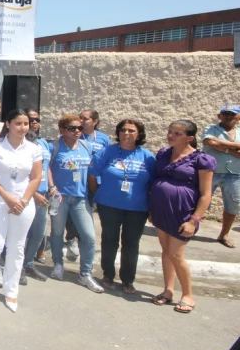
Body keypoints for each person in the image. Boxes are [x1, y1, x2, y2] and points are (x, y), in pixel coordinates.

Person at [0, 109, 42, 312]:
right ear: (8, 124)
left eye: (26, 124)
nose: (23, 128)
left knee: (17, 247)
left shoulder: (33, 149)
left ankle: (10, 291)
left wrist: (22, 201)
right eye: (18, 123)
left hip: (24, 203)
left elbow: (36, 177)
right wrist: (7, 197)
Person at [149, 120, 216, 313]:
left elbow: (206, 194)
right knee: (165, 251)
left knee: (176, 255)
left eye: (177, 134)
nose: (171, 136)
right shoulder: (163, 153)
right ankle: (168, 290)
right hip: (161, 210)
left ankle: (188, 295)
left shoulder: (201, 160)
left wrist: (194, 220)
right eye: (170, 131)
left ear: (190, 138)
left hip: (184, 214)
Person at [88, 119, 156, 294]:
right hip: (109, 205)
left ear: (139, 134)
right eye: (123, 130)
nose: (126, 133)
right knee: (110, 240)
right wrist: (99, 195)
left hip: (138, 208)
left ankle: (128, 280)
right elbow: (92, 176)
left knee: (131, 243)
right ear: (118, 133)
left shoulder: (147, 156)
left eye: (131, 130)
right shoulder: (107, 152)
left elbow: (153, 183)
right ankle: (108, 275)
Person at [48, 115, 104, 293]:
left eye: (80, 127)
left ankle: (85, 274)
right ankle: (58, 263)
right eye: (73, 128)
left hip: (80, 198)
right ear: (62, 130)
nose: (78, 131)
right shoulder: (54, 147)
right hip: (60, 198)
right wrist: (52, 187)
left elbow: (91, 170)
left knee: (89, 236)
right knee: (57, 232)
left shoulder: (86, 146)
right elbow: (46, 167)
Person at [202, 104, 240, 248]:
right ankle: (190, 229)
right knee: (200, 202)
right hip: (210, 172)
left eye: (233, 114)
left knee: (233, 206)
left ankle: (223, 235)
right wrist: (233, 149)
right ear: (220, 116)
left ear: (238, 117)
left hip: (235, 174)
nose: (229, 117)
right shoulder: (211, 129)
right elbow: (210, 142)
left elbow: (216, 144)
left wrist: (221, 147)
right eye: (226, 114)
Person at [21, 109, 52, 282]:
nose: (33, 122)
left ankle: (29, 263)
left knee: (39, 233)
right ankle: (18, 268)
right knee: (23, 233)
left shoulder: (44, 144)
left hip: (43, 193)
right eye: (29, 119)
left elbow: (47, 167)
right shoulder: (21, 143)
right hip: (27, 195)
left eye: (36, 119)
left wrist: (52, 187)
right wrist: (33, 195)